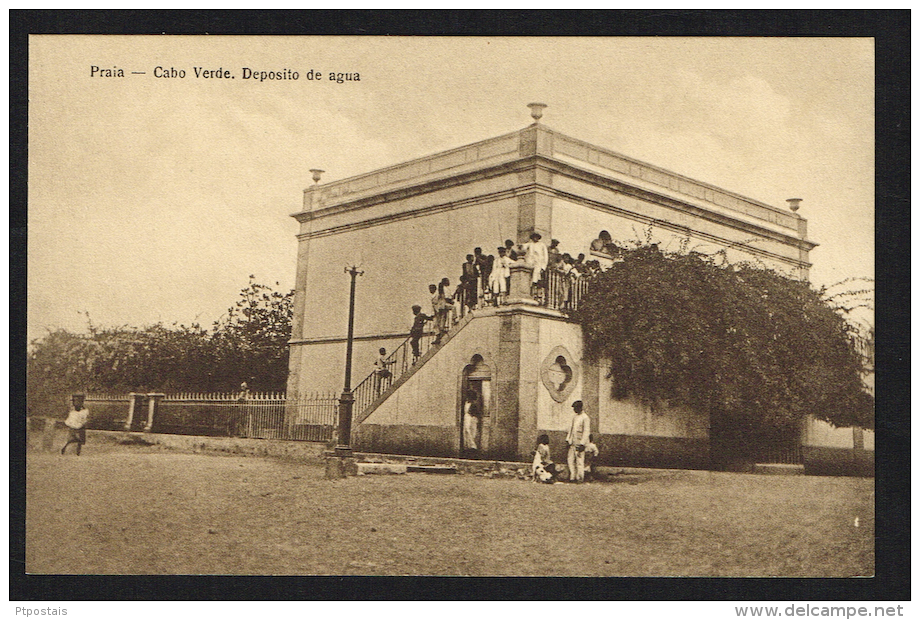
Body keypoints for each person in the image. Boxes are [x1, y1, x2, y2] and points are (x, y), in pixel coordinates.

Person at [565, 400, 591, 483]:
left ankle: (579, 478)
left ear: (580, 407)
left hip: (579, 443)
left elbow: (586, 431)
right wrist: (568, 439)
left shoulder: (585, 418)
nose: (574, 410)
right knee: (570, 460)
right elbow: (571, 429)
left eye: (576, 408)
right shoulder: (574, 417)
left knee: (579, 461)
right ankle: (572, 477)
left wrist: (582, 444)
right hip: (572, 442)